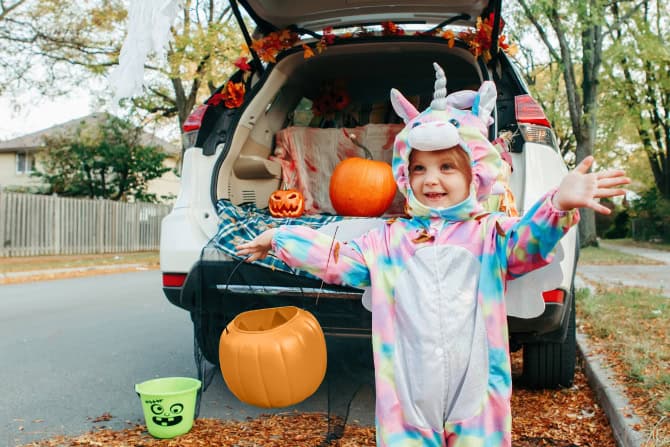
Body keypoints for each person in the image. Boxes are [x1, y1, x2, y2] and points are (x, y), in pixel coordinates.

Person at [236, 63, 630, 447]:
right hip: (406, 406)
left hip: (477, 399)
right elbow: (338, 257)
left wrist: (557, 204)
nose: (431, 178)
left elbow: (527, 245)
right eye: (419, 168)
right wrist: (280, 237)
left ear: (474, 174)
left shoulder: (489, 234)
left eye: (446, 166)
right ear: (405, 177)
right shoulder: (388, 241)